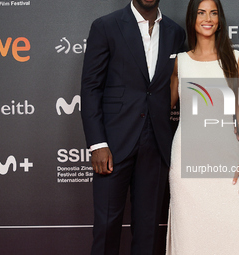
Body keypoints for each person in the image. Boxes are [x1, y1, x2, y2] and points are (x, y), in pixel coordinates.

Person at [80, 0, 185, 254]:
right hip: (113, 143)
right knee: (106, 226)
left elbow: (178, 84)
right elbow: (91, 88)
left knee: (148, 230)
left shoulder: (175, 32)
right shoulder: (106, 26)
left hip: (157, 142)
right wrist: (98, 144)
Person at [166, 0, 239, 254]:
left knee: (232, 231)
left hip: (227, 159)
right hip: (186, 161)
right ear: (192, 18)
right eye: (202, 12)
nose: (208, 18)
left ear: (220, 19)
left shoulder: (237, 60)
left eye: (214, 13)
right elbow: (160, 106)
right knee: (190, 234)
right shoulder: (179, 62)